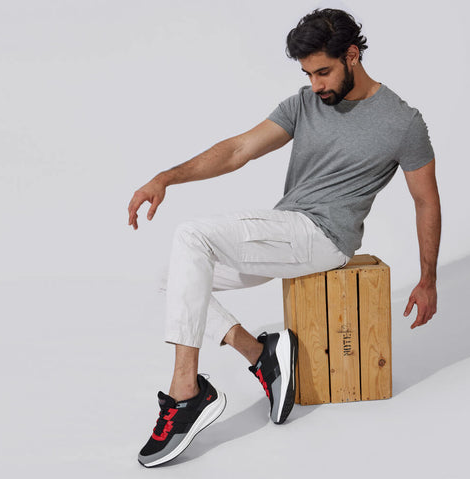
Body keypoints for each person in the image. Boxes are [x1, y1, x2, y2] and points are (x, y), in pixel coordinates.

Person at [127, 8, 441, 467]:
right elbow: (238, 150)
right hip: (287, 232)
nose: (316, 85)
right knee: (171, 277)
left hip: (325, 238)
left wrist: (428, 279)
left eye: (323, 71)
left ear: (352, 56)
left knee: (192, 236)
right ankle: (262, 356)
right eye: (308, 74)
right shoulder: (305, 103)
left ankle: (186, 393)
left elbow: (426, 201)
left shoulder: (402, 122)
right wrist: (166, 178)